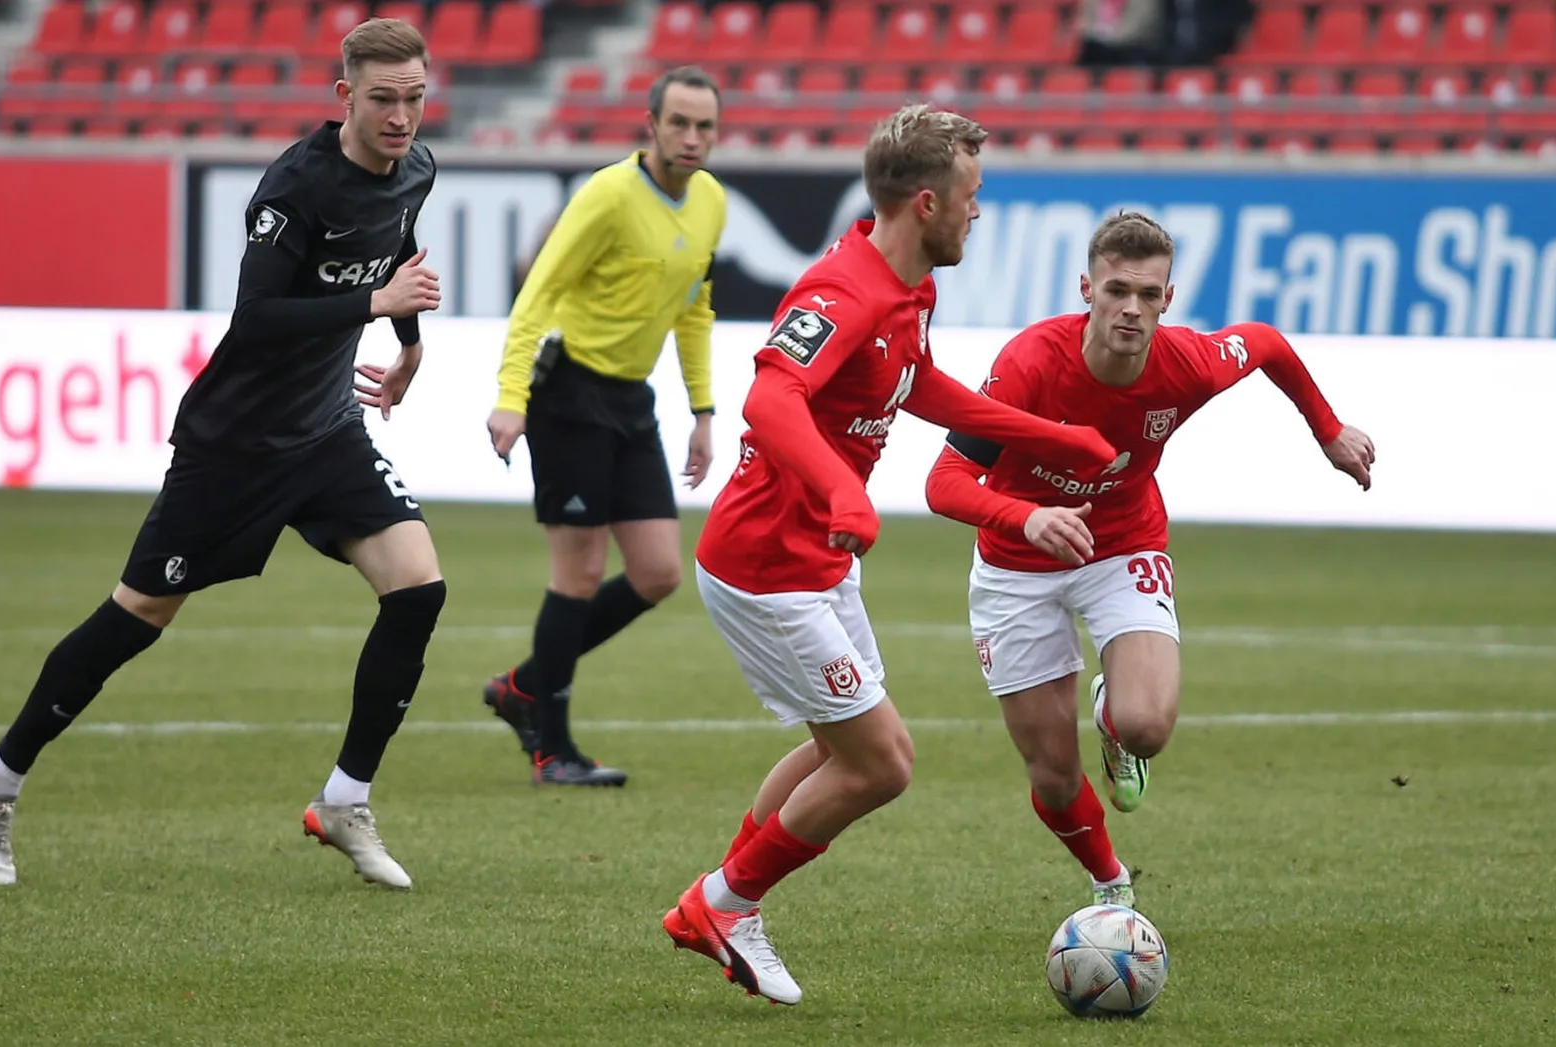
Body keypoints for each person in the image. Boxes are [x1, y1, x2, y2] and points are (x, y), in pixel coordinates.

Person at [0, 19, 446, 890]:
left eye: (413, 97)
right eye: (383, 100)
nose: (402, 117)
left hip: (327, 430)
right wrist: (375, 304)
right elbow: (255, 319)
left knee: (418, 587)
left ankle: (345, 799)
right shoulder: (296, 185)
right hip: (237, 443)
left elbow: (396, 244)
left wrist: (408, 344)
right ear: (345, 96)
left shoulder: (417, 168)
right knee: (138, 615)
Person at [659, 105, 1120, 1006]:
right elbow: (770, 400)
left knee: (840, 747)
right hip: (767, 563)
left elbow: (922, 385)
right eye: (971, 194)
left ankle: (717, 901)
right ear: (926, 203)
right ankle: (726, 902)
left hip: (817, 559)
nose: (978, 210)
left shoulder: (910, 289)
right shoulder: (843, 293)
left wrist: (1051, 435)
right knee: (881, 762)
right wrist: (842, 490)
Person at [924, 211, 1376, 910]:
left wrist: (1329, 429)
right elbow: (944, 483)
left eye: (1147, 294)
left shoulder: (1187, 363)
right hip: (1017, 562)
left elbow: (1264, 343)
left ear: (1168, 299)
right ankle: (1111, 879)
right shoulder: (1029, 365)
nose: (1131, 308)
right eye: (1116, 290)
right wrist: (1028, 517)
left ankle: (1113, 716)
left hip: (1121, 544)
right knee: (1052, 775)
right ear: (1088, 290)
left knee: (1147, 726)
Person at [478, 65, 728, 787]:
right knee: (580, 574)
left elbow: (694, 307)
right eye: (678, 123)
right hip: (568, 393)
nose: (691, 137)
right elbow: (538, 293)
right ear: (651, 126)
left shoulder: (711, 201)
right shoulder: (608, 195)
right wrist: (511, 396)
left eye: (704, 126)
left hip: (630, 401)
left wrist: (703, 411)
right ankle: (552, 749)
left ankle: (523, 686)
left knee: (658, 572)